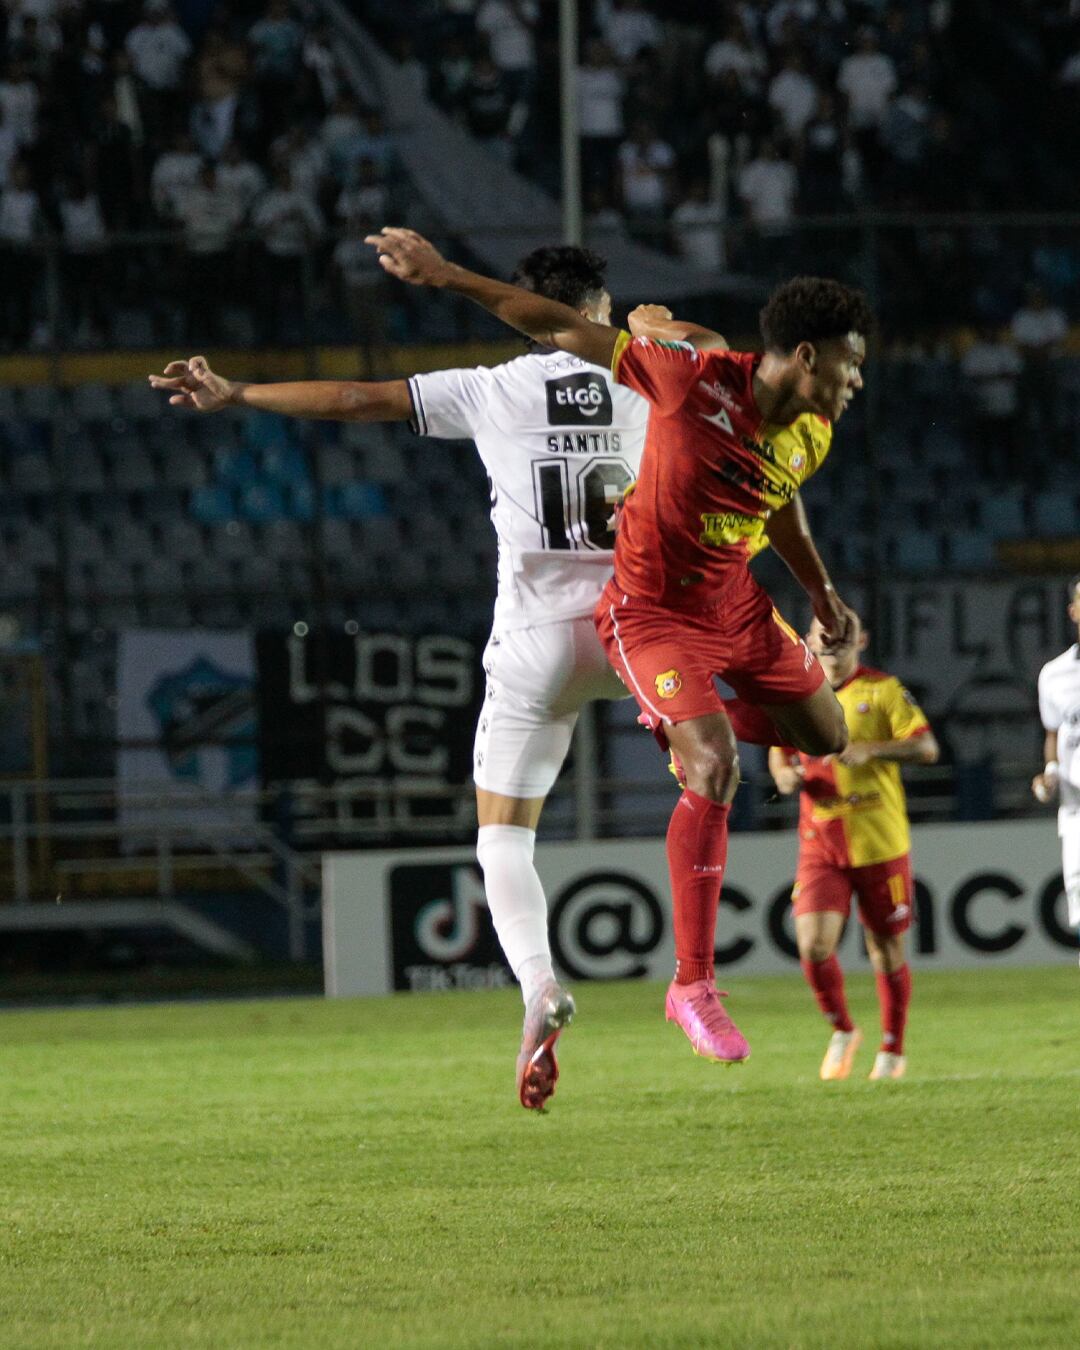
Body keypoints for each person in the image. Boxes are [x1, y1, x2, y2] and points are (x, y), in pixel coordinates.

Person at [149, 246, 651, 1111]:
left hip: (537, 642)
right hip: (640, 632)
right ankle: (702, 970)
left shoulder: (494, 387)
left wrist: (238, 393)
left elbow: (355, 398)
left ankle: (539, 985)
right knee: (715, 754)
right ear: (601, 312)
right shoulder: (656, 378)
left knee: (504, 838)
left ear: (523, 311)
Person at [364, 226, 868, 1071]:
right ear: (809, 356)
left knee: (828, 736)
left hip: (732, 602)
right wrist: (448, 274)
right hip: (649, 611)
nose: (859, 381)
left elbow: (779, 499)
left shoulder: (811, 430)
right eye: (852, 364)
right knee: (713, 767)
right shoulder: (681, 378)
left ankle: (679, 716)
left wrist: (818, 592)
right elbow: (559, 327)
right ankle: (691, 985)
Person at [768, 616, 938, 1083]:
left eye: (842, 638)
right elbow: (779, 748)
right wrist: (784, 775)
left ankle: (892, 1049)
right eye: (822, 638)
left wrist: (873, 750)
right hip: (820, 842)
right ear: (808, 642)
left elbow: (926, 747)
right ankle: (843, 1028)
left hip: (879, 841)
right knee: (813, 944)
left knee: (885, 949)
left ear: (860, 640)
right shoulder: (795, 694)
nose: (831, 646)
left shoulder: (883, 690)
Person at [1032, 576, 1080, 963]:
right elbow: (1053, 732)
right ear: (1074, 612)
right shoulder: (1054, 674)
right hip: (1075, 809)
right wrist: (1049, 770)